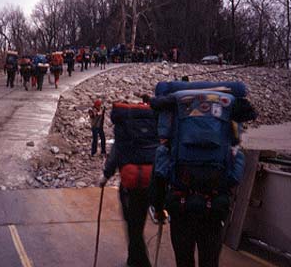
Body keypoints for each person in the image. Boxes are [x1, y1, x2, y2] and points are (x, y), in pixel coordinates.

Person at [151, 81, 256, 267]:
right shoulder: (229, 112)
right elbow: (234, 176)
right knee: (210, 262)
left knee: (184, 261)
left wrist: (159, 208)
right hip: (214, 208)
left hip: (181, 207)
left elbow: (161, 172)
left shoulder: (172, 122)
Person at [100, 101, 159, 267]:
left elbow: (115, 155)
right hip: (150, 183)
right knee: (137, 224)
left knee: (133, 226)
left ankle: (141, 262)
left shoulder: (124, 131)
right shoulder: (153, 128)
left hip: (130, 187)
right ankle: (133, 259)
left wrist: (105, 176)